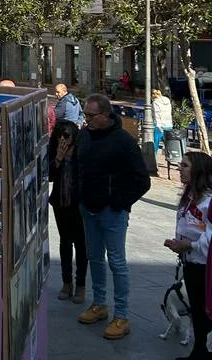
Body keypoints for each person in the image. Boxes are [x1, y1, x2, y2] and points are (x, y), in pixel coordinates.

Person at [76, 93, 151, 340]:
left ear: (106, 115)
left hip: (112, 211)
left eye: (91, 115)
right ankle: (99, 303)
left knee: (117, 262)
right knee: (94, 258)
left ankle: (122, 316)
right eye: (85, 114)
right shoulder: (85, 135)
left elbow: (142, 179)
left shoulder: (123, 141)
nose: (86, 119)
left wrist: (119, 202)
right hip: (88, 207)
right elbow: (79, 166)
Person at [164, 152, 212, 360]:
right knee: (197, 311)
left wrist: (189, 245)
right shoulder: (189, 197)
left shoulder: (208, 202)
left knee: (206, 311)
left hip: (205, 266)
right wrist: (180, 245)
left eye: (185, 165)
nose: (179, 169)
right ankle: (199, 351)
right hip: (190, 262)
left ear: (198, 170)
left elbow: (209, 239)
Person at [49, 120, 88, 304]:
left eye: (67, 136)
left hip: (79, 204)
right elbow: (47, 176)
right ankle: (67, 282)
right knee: (65, 242)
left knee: (81, 244)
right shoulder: (55, 150)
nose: (63, 140)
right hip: (60, 203)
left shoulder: (82, 152)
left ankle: (81, 285)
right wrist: (58, 158)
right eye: (60, 136)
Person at [152, 88, 173, 153]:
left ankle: (153, 157)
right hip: (169, 124)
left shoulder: (155, 102)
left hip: (159, 125)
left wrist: (158, 125)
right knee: (167, 144)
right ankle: (169, 158)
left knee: (156, 143)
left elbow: (157, 115)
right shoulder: (167, 100)